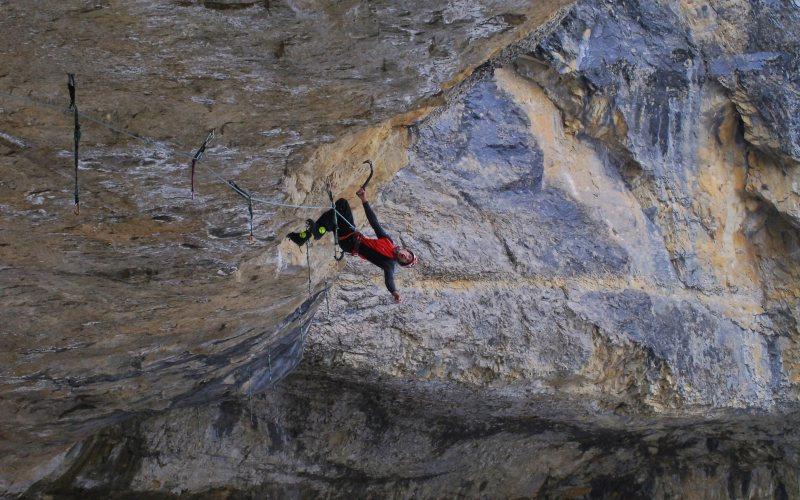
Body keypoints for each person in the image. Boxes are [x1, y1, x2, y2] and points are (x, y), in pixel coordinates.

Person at [287, 187, 417, 303]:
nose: (405, 256)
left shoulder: (389, 263)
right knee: (341, 205)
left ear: (400, 262)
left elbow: (389, 279)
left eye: (405, 260)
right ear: (406, 250)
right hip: (353, 236)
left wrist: (394, 292)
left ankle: (318, 232)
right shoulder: (389, 242)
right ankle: (304, 236)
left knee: (337, 215)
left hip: (350, 243)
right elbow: (375, 223)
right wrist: (364, 200)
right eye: (408, 255)